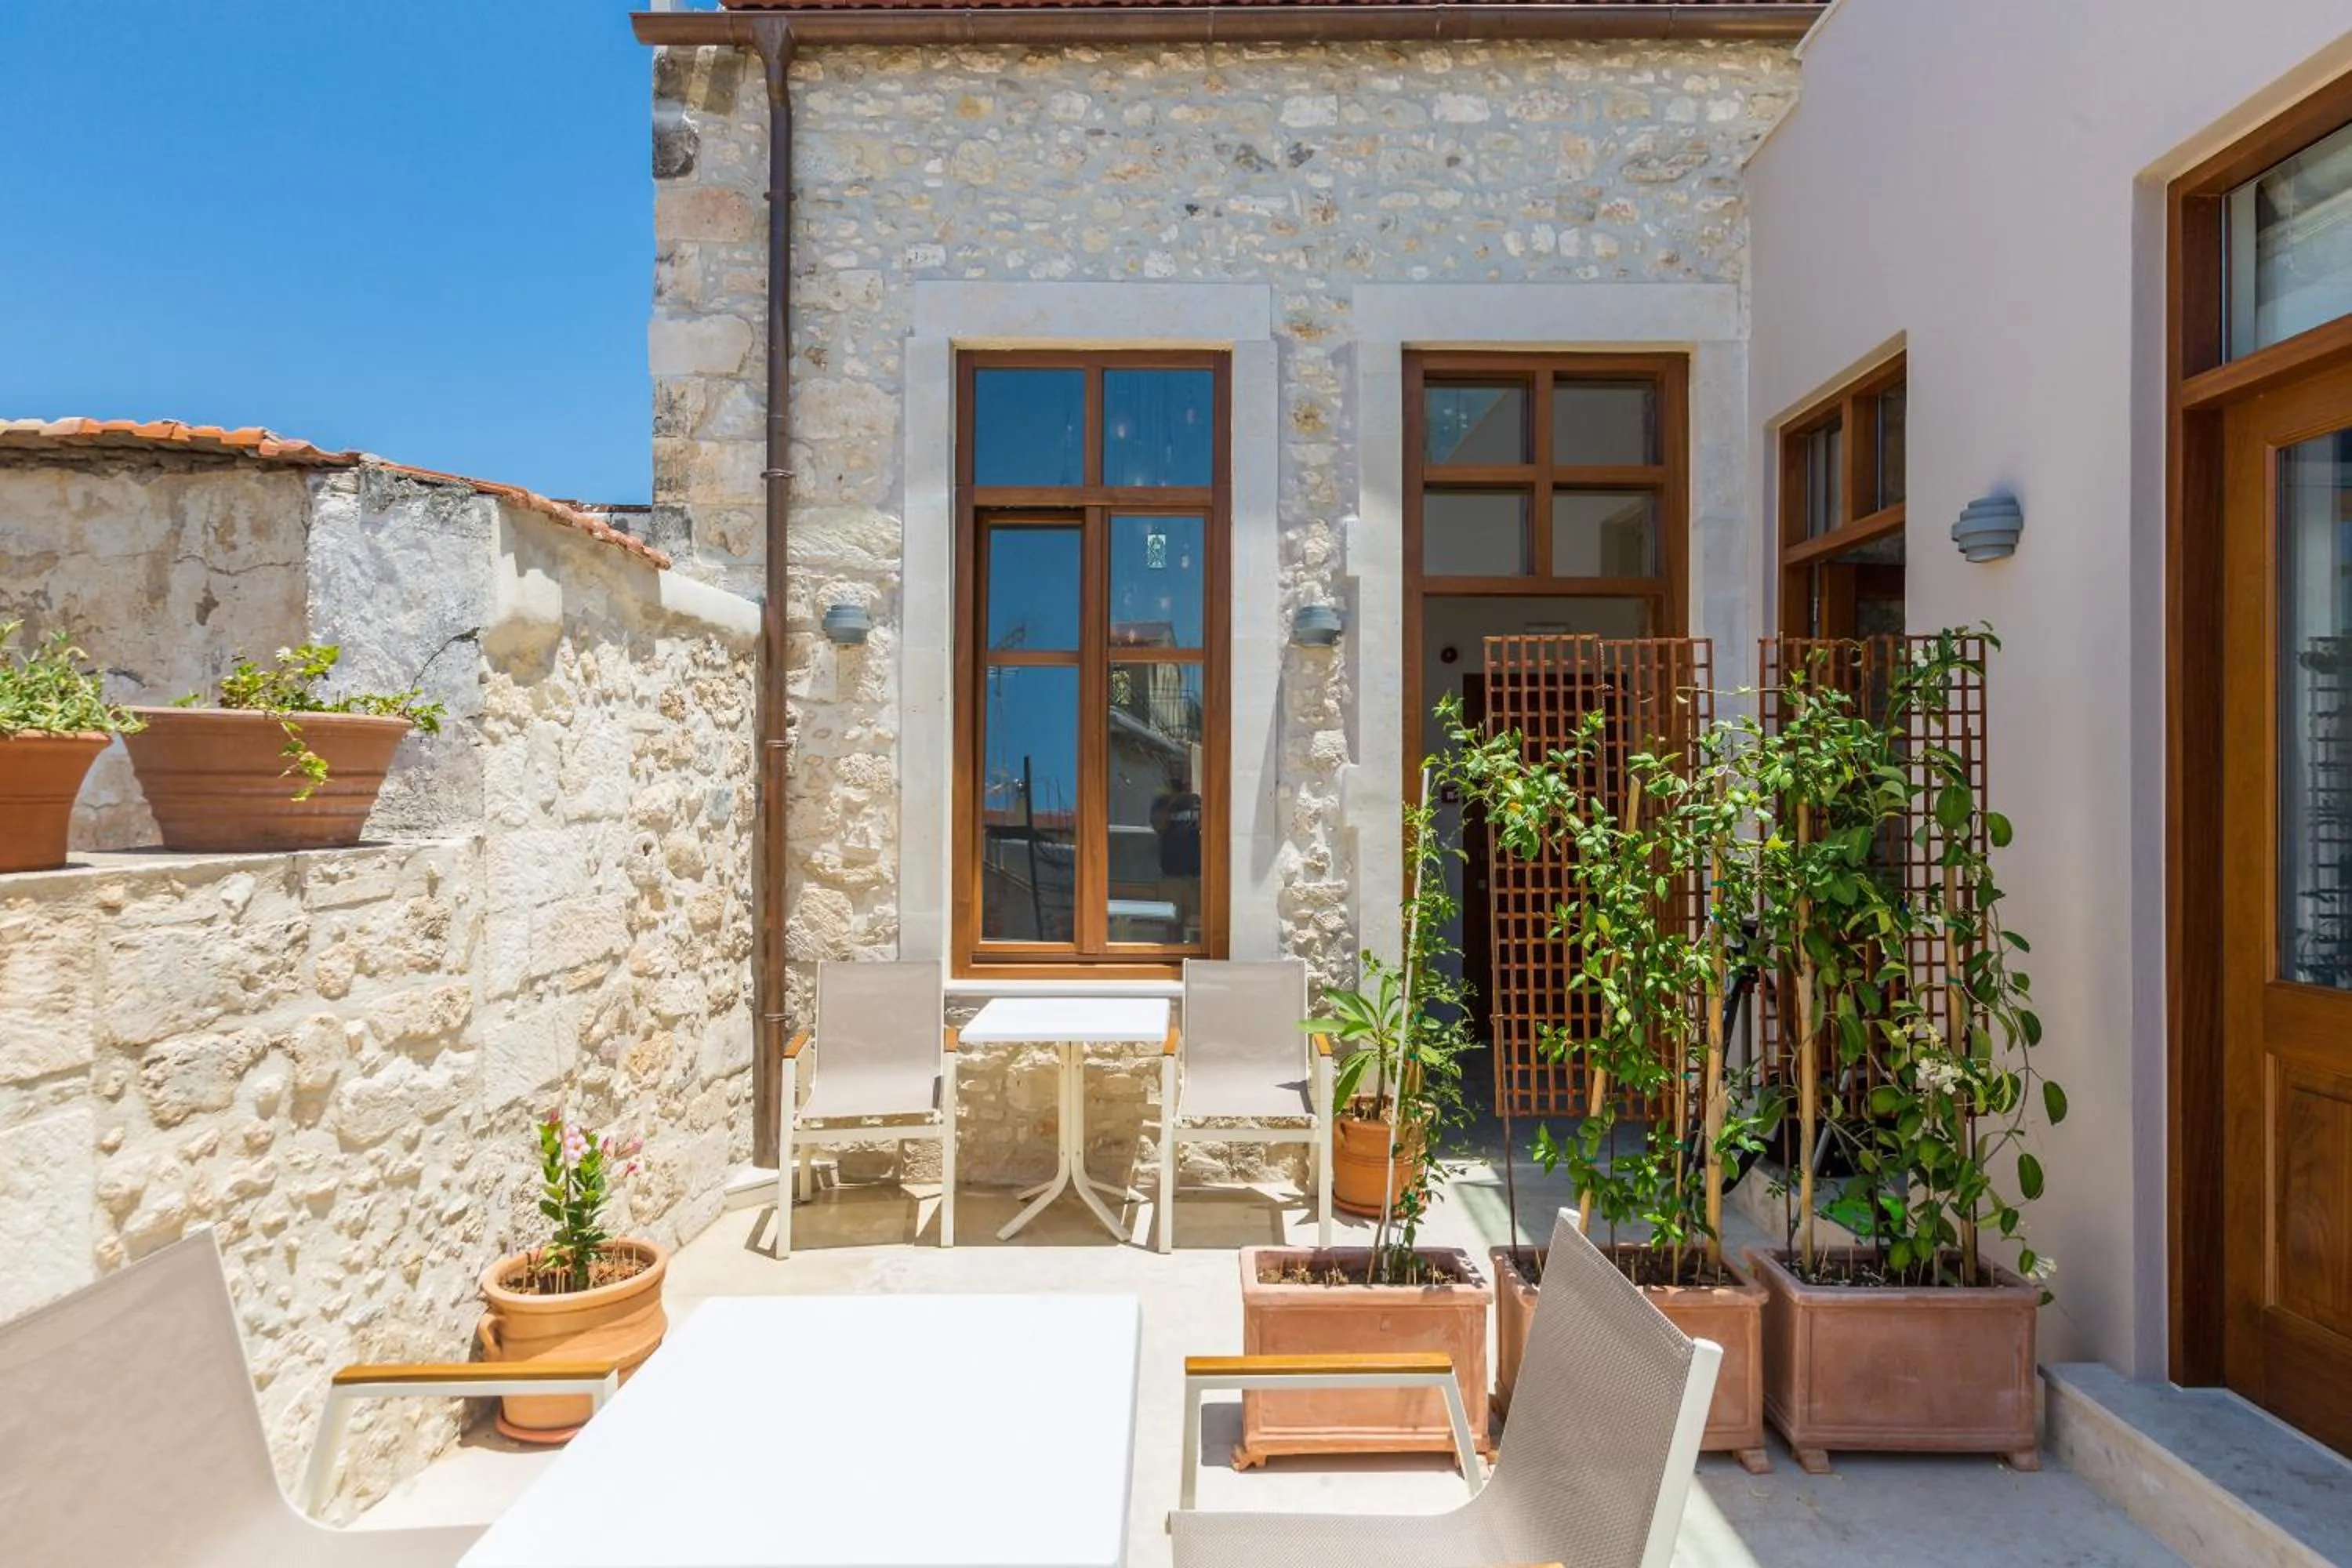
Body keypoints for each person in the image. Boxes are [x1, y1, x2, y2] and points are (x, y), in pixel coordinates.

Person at [1150, 766, 1203, 942]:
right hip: (1171, 875)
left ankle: (1195, 957)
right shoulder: (1161, 802)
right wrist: (1172, 801)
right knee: (1172, 924)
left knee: (1197, 924)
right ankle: (1173, 955)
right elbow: (1159, 826)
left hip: (1195, 875)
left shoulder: (1197, 802)